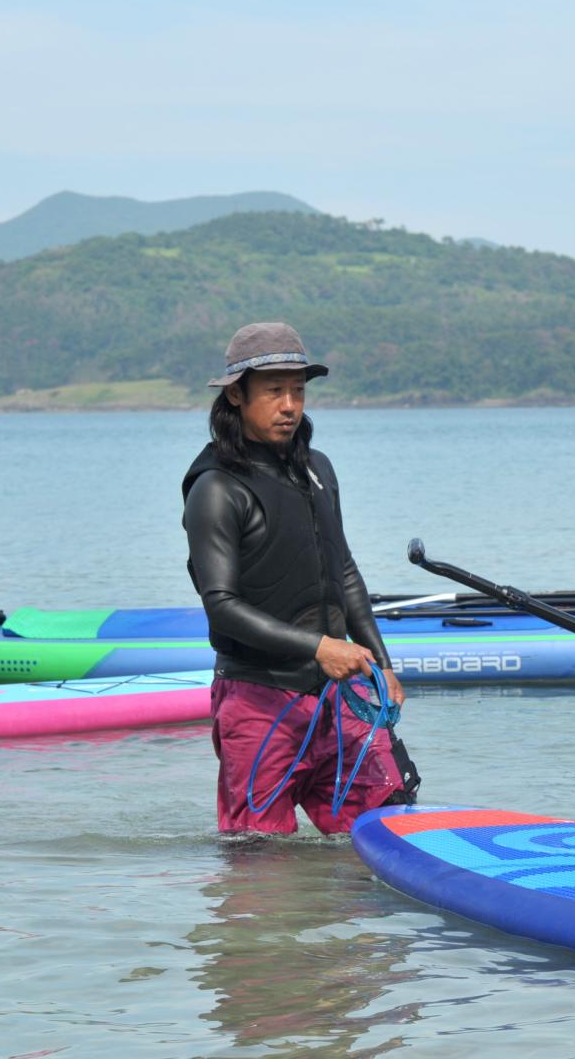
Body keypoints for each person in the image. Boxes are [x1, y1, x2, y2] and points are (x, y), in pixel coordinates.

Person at [182, 321, 416, 835]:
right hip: (258, 699)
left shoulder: (318, 469)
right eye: (274, 392)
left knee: (387, 830)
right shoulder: (217, 488)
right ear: (237, 396)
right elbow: (221, 603)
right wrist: (319, 648)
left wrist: (381, 661)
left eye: (298, 391)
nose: (290, 405)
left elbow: (344, 570)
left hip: (338, 697)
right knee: (262, 868)